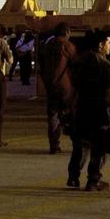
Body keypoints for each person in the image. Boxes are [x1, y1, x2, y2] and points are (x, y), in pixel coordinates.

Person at [67, 30, 110, 192]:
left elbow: (73, 87)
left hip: (82, 107)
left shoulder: (78, 62)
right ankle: (93, 181)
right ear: (100, 45)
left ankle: (73, 176)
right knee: (99, 147)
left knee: (80, 144)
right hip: (99, 110)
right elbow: (109, 91)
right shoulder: (104, 65)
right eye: (108, 42)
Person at [37, 23, 76, 154]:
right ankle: (77, 143)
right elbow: (75, 63)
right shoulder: (67, 45)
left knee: (53, 116)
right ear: (67, 33)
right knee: (72, 114)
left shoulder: (46, 46)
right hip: (65, 87)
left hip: (50, 86)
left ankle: (54, 145)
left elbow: (40, 65)